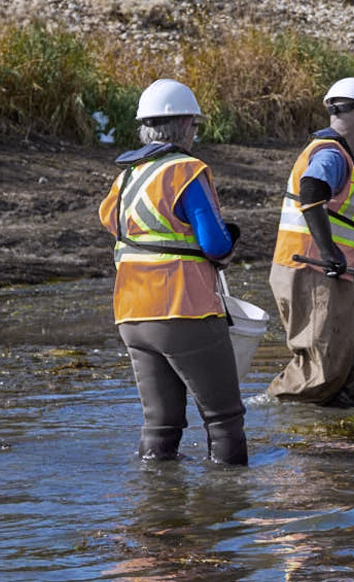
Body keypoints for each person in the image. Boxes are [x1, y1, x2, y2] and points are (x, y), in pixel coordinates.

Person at [98, 78, 247, 465]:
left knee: (160, 425)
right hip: (183, 307)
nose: (195, 134)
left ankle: (155, 508)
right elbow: (215, 244)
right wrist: (230, 239)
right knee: (224, 418)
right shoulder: (187, 170)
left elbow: (111, 223)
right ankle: (229, 509)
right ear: (183, 126)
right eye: (195, 126)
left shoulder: (126, 177)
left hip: (131, 313)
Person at [267, 77, 354, 406]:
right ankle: (279, 411)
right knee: (322, 370)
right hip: (312, 272)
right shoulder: (331, 154)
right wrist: (331, 252)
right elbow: (312, 191)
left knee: (347, 365)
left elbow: (335, 218)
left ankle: (342, 434)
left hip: (331, 271)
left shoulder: (333, 153)